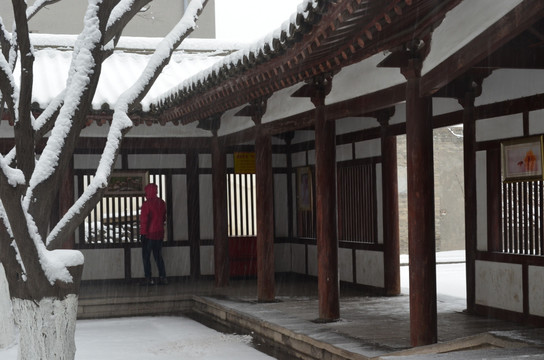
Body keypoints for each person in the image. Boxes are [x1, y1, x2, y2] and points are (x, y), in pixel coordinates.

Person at [140, 183, 167, 285]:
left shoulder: (146, 204)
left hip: (149, 234)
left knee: (146, 257)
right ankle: (163, 277)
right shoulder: (162, 203)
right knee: (158, 256)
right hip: (159, 234)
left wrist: (143, 234)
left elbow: (144, 221)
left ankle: (148, 278)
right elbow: (164, 218)